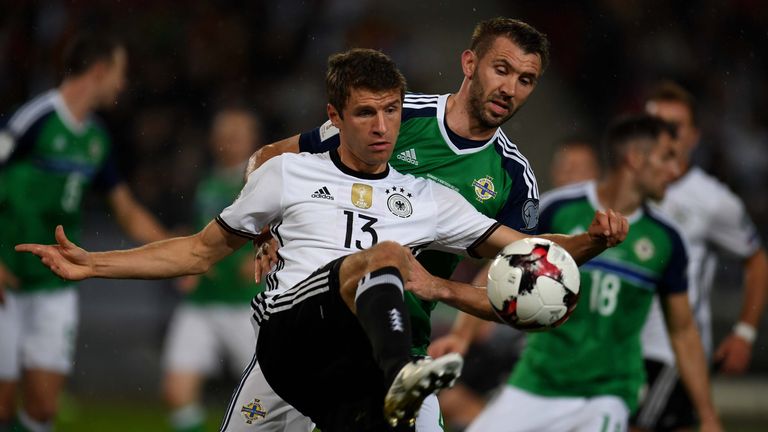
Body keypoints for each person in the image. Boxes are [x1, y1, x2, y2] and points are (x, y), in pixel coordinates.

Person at [16, 49, 627, 432]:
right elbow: (197, 251)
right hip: (291, 335)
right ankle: (399, 379)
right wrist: (92, 263)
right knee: (385, 258)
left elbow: (522, 256)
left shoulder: (428, 198)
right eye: (366, 113)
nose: (384, 126)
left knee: (386, 274)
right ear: (333, 117)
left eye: (391, 111)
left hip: (362, 361)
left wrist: (590, 242)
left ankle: (395, 380)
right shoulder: (288, 174)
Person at [248, 17, 550, 431]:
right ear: (469, 63)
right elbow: (268, 158)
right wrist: (262, 232)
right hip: (314, 331)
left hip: (402, 344)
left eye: (526, 79)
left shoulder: (513, 177)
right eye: (502, 69)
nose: (510, 88)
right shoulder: (391, 114)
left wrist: (442, 288)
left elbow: (524, 278)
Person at [461, 114, 723, 432]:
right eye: (667, 156)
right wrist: (461, 337)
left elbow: (683, 331)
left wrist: (707, 415)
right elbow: (499, 270)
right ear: (635, 158)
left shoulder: (667, 239)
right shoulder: (557, 209)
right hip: (537, 381)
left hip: (607, 393)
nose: (674, 170)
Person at [0, 33, 170, 431]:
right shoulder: (31, 120)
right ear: (99, 70)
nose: (122, 83)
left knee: (42, 408)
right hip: (6, 280)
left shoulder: (95, 139)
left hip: (54, 283)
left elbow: (125, 209)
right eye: (120, 72)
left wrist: (182, 249)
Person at [632, 81, 768, 431]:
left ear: (693, 136)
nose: (663, 136)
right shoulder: (626, 189)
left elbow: (756, 260)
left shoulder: (713, 201)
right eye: (653, 126)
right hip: (624, 342)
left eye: (673, 128)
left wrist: (745, 332)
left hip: (674, 349)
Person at [162, 108, 265, 432]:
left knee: (265, 398)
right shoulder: (204, 180)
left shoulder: (262, 179)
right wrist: (186, 267)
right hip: (202, 303)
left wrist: (267, 251)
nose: (229, 141)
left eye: (236, 134)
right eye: (224, 134)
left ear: (252, 139)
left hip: (245, 304)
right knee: (176, 392)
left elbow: (291, 226)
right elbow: (192, 231)